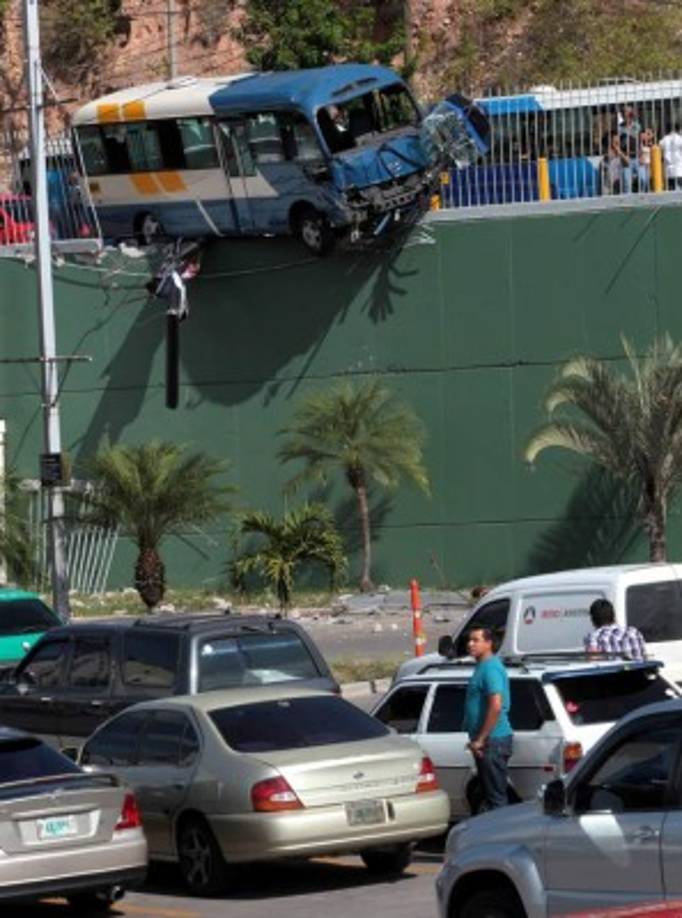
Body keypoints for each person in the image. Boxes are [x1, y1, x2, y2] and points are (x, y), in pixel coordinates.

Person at [462, 626, 513, 811]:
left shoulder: (490, 668)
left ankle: (501, 838)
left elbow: (496, 705)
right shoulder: (482, 667)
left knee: (497, 800)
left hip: (493, 741)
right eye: (469, 640)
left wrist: (481, 739)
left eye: (476, 640)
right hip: (488, 742)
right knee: (490, 798)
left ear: (488, 643)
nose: (470, 644)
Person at [660, 122, 682, 190]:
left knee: (670, 188)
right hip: (679, 168)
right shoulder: (680, 139)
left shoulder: (664, 139)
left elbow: (660, 147)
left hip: (668, 168)